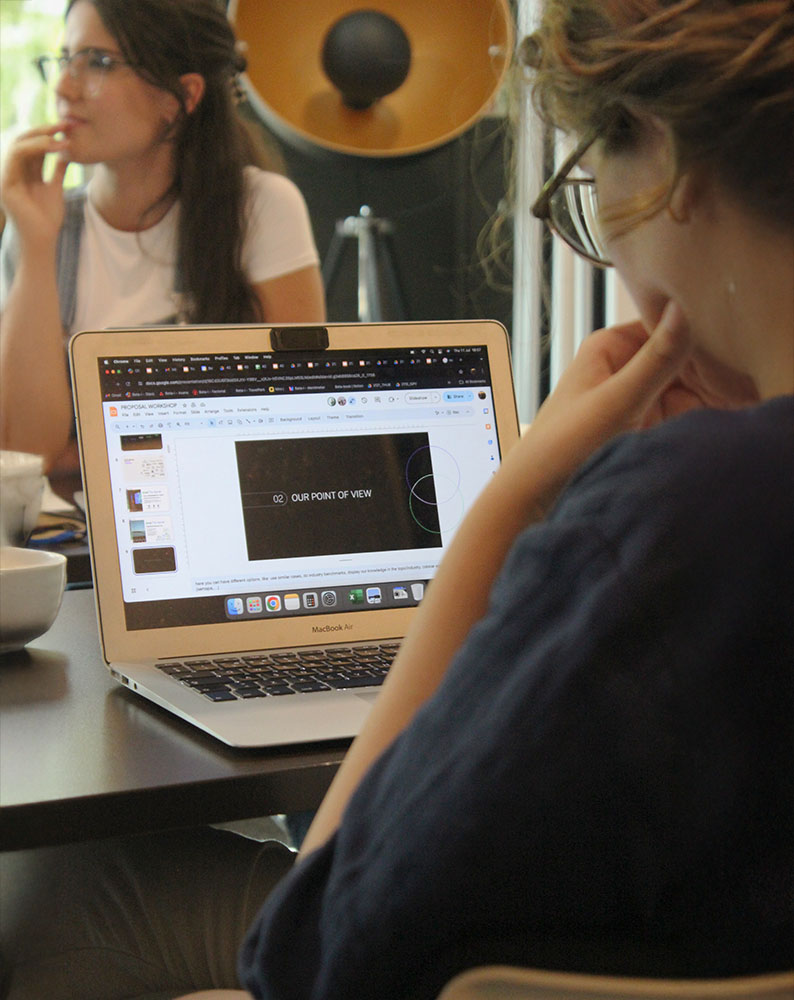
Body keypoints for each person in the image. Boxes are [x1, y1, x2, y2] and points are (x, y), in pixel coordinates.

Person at [1, 0, 792, 997]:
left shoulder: (675, 524)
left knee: (52, 892)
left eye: (588, 190)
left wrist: (505, 510)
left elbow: (314, 951)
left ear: (670, 170)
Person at [0, 0, 325, 477]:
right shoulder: (43, 222)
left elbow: (300, 413)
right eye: (65, 58)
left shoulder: (260, 207)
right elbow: (27, 457)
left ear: (183, 96)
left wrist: (82, 459)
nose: (64, 86)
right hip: (64, 543)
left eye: (99, 63)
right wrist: (34, 242)